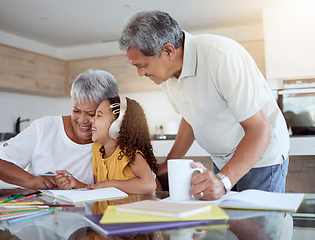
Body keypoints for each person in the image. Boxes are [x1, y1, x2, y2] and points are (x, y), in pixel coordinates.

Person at [119, 11, 290, 200]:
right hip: (222, 159)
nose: (140, 74)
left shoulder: (222, 56)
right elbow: (191, 115)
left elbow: (260, 130)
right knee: (229, 226)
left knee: (260, 226)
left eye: (142, 65)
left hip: (261, 159)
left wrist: (223, 181)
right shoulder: (165, 75)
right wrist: (171, 160)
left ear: (168, 51)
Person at [0, 69, 119, 189]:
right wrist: (33, 181)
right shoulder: (45, 127)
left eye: (91, 114)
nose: (82, 120)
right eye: (76, 110)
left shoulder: (113, 141)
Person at [55, 96, 159, 194]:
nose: (92, 120)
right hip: (104, 213)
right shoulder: (97, 149)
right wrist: (74, 183)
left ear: (118, 125)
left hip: (126, 213)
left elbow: (149, 185)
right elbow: (97, 189)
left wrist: (109, 184)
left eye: (99, 115)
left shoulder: (130, 154)